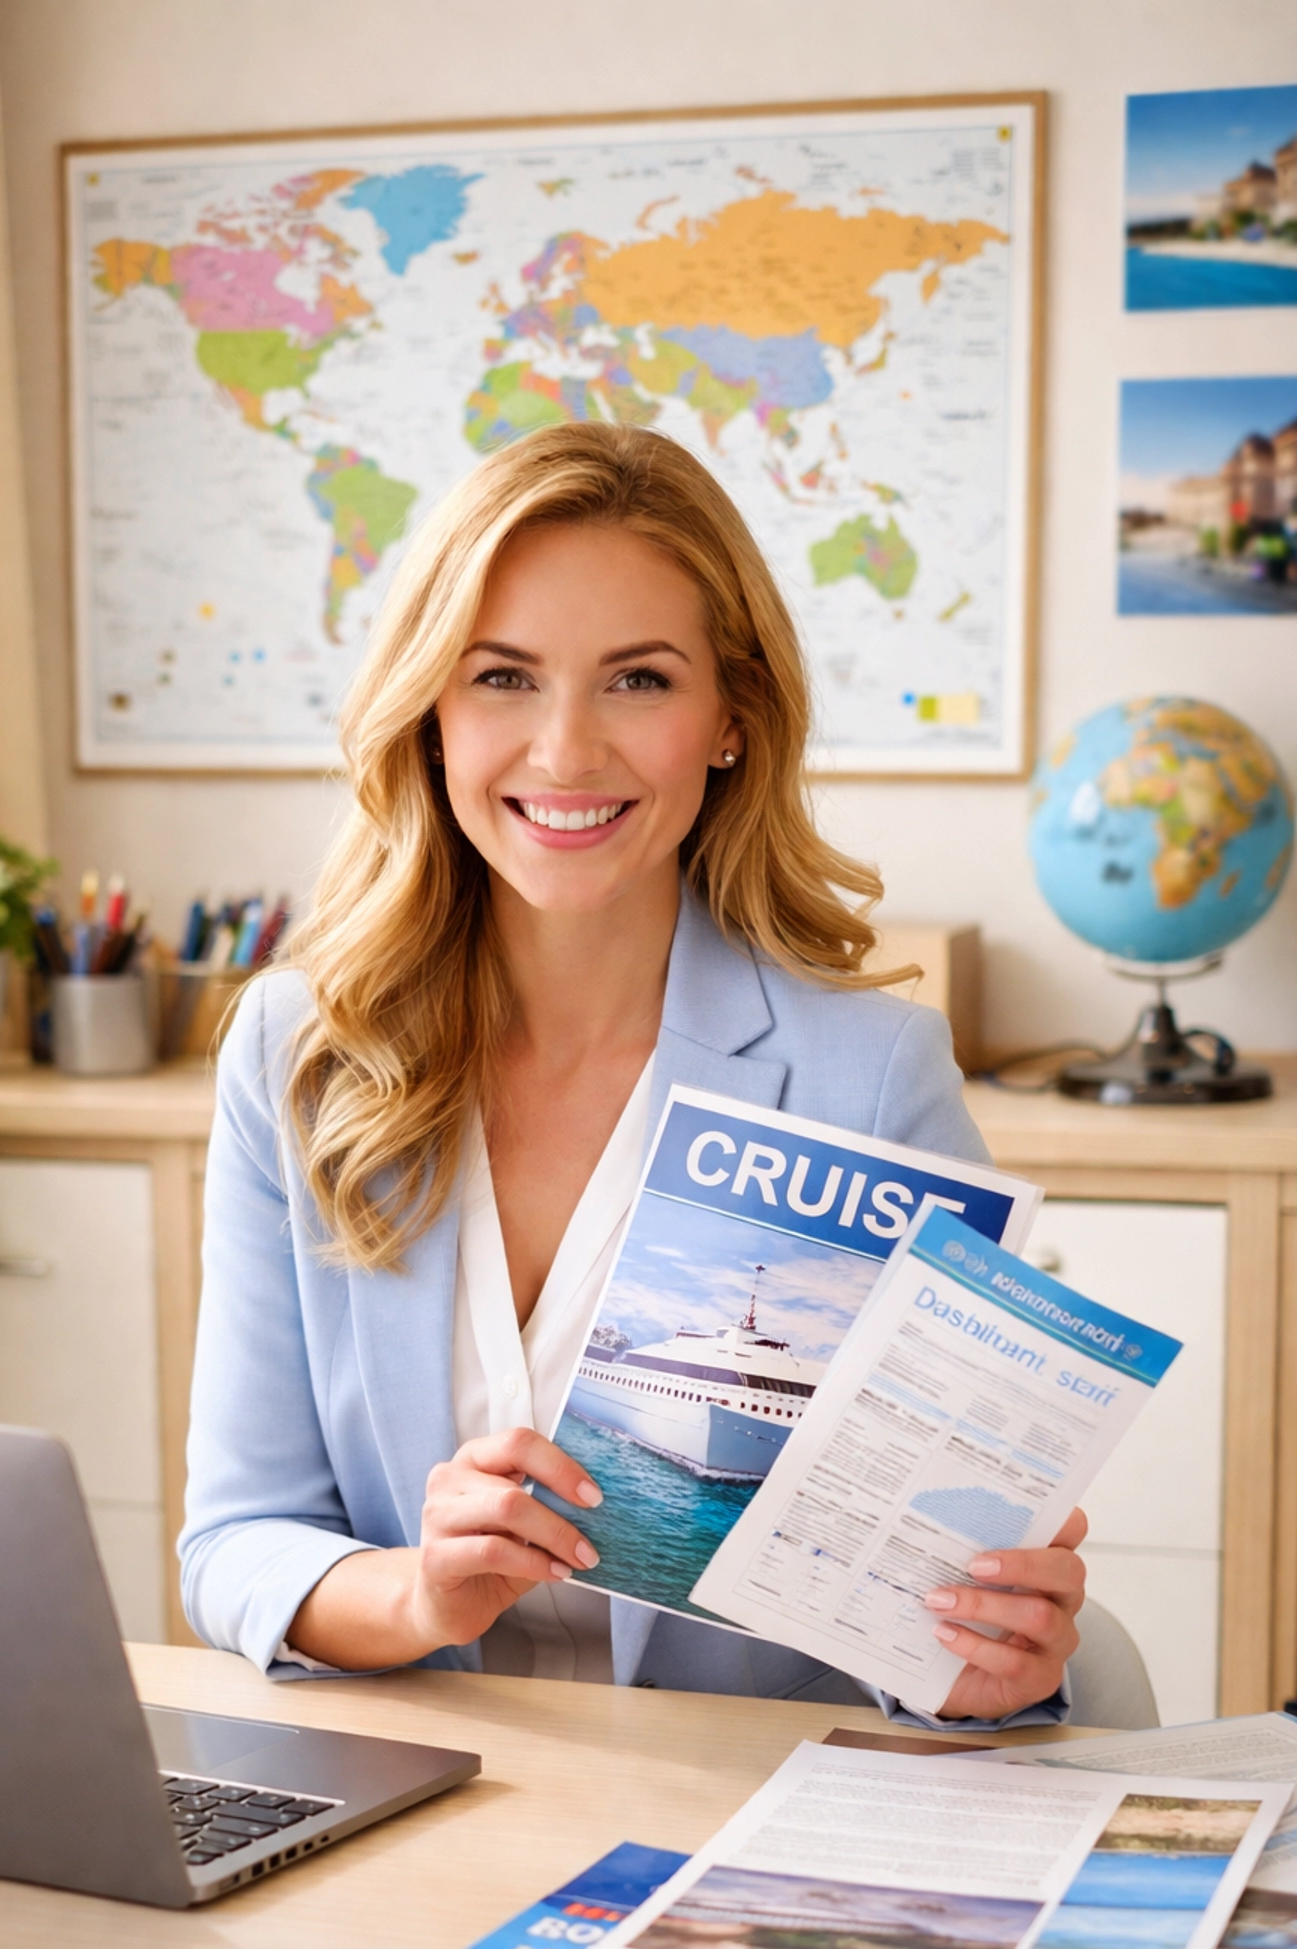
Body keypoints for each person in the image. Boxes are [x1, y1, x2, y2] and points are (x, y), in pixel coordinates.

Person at [180, 423, 1085, 1728]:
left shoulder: (869, 1077)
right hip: (421, 1808)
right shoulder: (298, 1055)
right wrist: (421, 1596)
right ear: (429, 713)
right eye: (501, 676)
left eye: (639, 681)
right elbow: (239, 1544)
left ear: (730, 719)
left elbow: (931, 1609)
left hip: (737, 1834)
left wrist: (997, 1661)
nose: (564, 750)